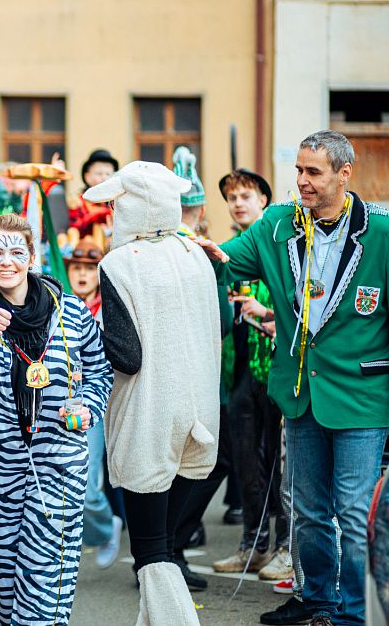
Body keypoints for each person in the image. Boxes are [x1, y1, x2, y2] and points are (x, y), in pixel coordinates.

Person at [195, 130, 389, 626]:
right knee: (308, 509)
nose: (301, 180)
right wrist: (192, 249)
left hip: (363, 397)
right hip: (301, 393)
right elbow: (225, 261)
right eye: (299, 169)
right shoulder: (277, 225)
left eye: (313, 172)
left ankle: (353, 613)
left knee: (352, 512)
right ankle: (317, 599)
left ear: (344, 174)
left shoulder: (383, 234)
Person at [0, 213, 112, 625]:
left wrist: (87, 405)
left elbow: (99, 370)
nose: (7, 261)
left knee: (42, 585)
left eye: (17, 252)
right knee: (6, 591)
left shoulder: (70, 311)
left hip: (59, 463)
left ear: (32, 257)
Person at [84, 161, 221, 625]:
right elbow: (218, 326)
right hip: (200, 411)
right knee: (165, 542)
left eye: (116, 205)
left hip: (149, 414)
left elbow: (126, 356)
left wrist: (82, 331)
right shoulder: (196, 254)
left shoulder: (119, 263)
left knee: (150, 553)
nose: (111, 214)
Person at [209, 166, 292, 584]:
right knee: (245, 463)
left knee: (281, 466)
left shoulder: (279, 244)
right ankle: (253, 546)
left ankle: (286, 548)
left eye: (245, 196)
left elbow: (298, 304)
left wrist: (266, 311)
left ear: (263, 201)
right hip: (239, 368)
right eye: (232, 197)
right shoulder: (227, 250)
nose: (238, 203)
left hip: (276, 367)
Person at [165, 147, 235, 593]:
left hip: (192, 374)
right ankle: (165, 551)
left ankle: (167, 547)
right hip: (187, 374)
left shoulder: (183, 249)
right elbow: (221, 322)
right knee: (194, 463)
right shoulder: (188, 251)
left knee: (195, 462)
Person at [65, 237, 124, 570]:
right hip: (63, 403)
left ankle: (105, 526)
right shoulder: (56, 306)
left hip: (102, 402)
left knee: (88, 484)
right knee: (71, 482)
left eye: (89, 268)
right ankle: (103, 528)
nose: (82, 275)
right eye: (76, 268)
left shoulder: (111, 309)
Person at [69, 149, 117, 237]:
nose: (104, 178)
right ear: (87, 177)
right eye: (99, 173)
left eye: (108, 174)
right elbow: (74, 227)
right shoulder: (77, 201)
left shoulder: (116, 201)